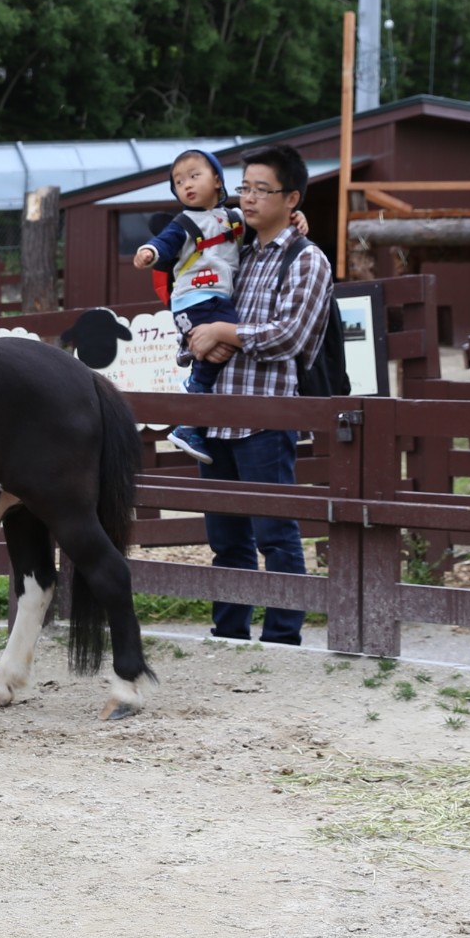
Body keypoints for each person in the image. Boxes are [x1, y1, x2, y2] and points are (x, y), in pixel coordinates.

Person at [179, 143, 334, 644]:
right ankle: (229, 633)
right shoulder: (231, 248)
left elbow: (291, 336)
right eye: (244, 187)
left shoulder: (306, 259)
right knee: (225, 538)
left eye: (260, 190)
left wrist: (224, 332)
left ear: (291, 199)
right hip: (214, 416)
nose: (247, 198)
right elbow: (196, 303)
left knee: (276, 534)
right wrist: (197, 335)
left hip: (266, 416)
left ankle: (284, 637)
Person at [131, 149, 245, 464]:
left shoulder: (234, 218)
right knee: (231, 338)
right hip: (194, 299)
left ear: (218, 181)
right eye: (179, 182)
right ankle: (188, 424)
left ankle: (194, 391)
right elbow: (164, 243)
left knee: (222, 348)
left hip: (218, 298)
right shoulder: (184, 222)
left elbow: (264, 230)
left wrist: (297, 217)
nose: (187, 185)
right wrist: (148, 252)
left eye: (195, 176)